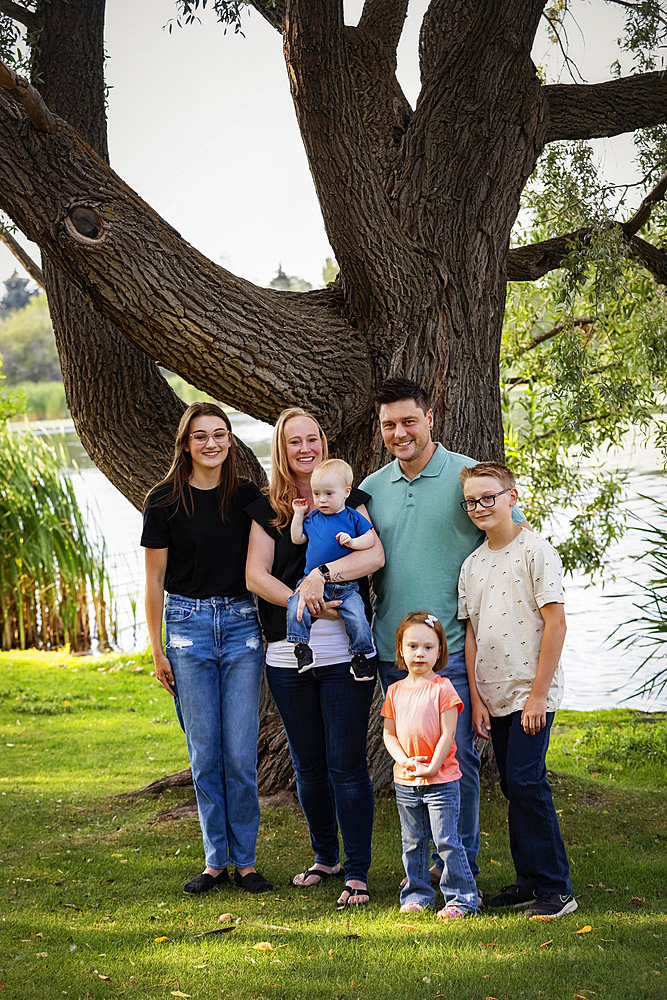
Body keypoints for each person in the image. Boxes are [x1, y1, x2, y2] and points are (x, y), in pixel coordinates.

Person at [359, 377, 528, 892]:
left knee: (458, 763)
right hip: (395, 648)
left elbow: (512, 537)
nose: (399, 432)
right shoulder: (370, 488)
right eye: (389, 424)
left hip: (452, 647)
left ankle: (461, 864)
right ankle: (423, 866)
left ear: (430, 417)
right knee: (412, 760)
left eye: (409, 420)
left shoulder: (465, 477)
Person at [245, 407, 384, 906]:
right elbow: (256, 576)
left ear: (323, 444)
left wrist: (322, 576)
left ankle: (358, 871)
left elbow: (373, 556)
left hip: (346, 650)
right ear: (282, 451)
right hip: (289, 654)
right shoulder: (271, 510)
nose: (305, 449)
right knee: (308, 764)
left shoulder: (351, 500)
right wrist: (301, 599)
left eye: (312, 439)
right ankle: (325, 856)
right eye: (294, 442)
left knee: (347, 763)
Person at [142, 402, 272, 895]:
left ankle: (246, 862)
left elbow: (280, 546)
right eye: (201, 436)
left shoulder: (244, 497)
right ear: (186, 443)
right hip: (186, 630)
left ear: (230, 440)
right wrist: (156, 652)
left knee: (239, 756)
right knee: (205, 757)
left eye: (220, 434)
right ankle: (215, 860)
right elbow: (154, 583)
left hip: (241, 628)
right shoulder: (163, 501)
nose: (212, 443)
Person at [458, 461, 577, 919]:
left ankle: (556, 889)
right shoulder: (472, 564)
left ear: (511, 496)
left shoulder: (536, 552)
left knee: (528, 782)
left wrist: (538, 696)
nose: (479, 507)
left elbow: (556, 624)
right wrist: (478, 697)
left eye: (488, 497)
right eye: (471, 501)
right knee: (512, 784)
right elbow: (471, 634)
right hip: (494, 691)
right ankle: (528, 880)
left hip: (532, 691)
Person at [382, 612, 478, 919]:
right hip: (407, 781)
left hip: (441, 781)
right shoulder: (395, 691)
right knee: (413, 842)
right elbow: (389, 733)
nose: (419, 653)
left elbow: (449, 734)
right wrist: (404, 761)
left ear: (439, 652)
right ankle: (417, 893)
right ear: (400, 649)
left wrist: (433, 767)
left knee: (446, 840)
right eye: (412, 646)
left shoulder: (443, 689)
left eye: (427, 647)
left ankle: (462, 898)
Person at [287, 458, 376, 680]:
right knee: (295, 606)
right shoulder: (313, 518)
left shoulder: (352, 516)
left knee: (358, 616)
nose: (322, 500)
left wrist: (352, 542)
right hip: (312, 583)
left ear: (346, 492)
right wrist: (298, 515)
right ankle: (301, 647)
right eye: (316, 494)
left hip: (346, 586)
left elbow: (369, 539)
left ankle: (360, 656)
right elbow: (297, 539)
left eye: (329, 494)